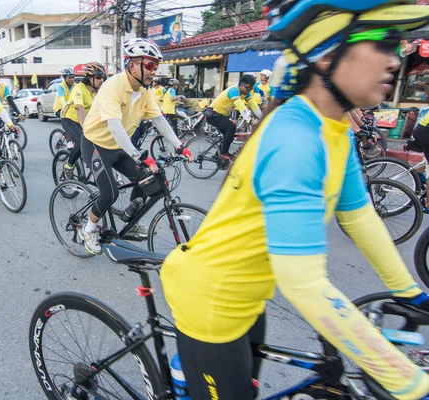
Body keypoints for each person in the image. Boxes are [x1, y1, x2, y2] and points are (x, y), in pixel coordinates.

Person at [160, 1, 429, 399]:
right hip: (211, 302)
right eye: (382, 42)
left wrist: (411, 292)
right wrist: (408, 382)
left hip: (247, 296)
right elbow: (303, 284)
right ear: (326, 55)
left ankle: (190, 371)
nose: (395, 61)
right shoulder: (295, 140)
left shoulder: (333, 130)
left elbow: (360, 217)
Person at [78, 38, 193, 255]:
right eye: (149, 65)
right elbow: (114, 126)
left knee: (149, 176)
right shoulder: (112, 87)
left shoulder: (145, 91)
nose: (153, 71)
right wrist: (138, 155)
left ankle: (129, 219)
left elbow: (159, 119)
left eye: (156, 66)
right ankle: (89, 228)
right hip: (96, 144)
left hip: (119, 147)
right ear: (132, 65)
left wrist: (179, 146)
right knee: (109, 192)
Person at [206, 74, 262, 168]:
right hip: (213, 114)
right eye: (248, 88)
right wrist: (249, 120)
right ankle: (224, 153)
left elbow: (253, 105)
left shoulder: (245, 93)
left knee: (230, 136)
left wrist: (262, 117)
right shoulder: (233, 91)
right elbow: (240, 106)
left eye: (251, 88)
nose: (250, 91)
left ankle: (216, 155)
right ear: (241, 85)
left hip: (222, 115)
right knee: (231, 127)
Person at [61, 62, 105, 180]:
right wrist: (86, 130)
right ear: (89, 78)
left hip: (85, 118)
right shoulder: (79, 89)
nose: (101, 80)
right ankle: (68, 166)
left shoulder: (97, 90)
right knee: (83, 140)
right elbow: (80, 109)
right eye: (98, 77)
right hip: (69, 118)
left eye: (103, 77)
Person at [412, 111, 429, 212]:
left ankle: (417, 175)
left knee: (427, 159)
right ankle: (428, 204)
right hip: (426, 131)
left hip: (422, 129)